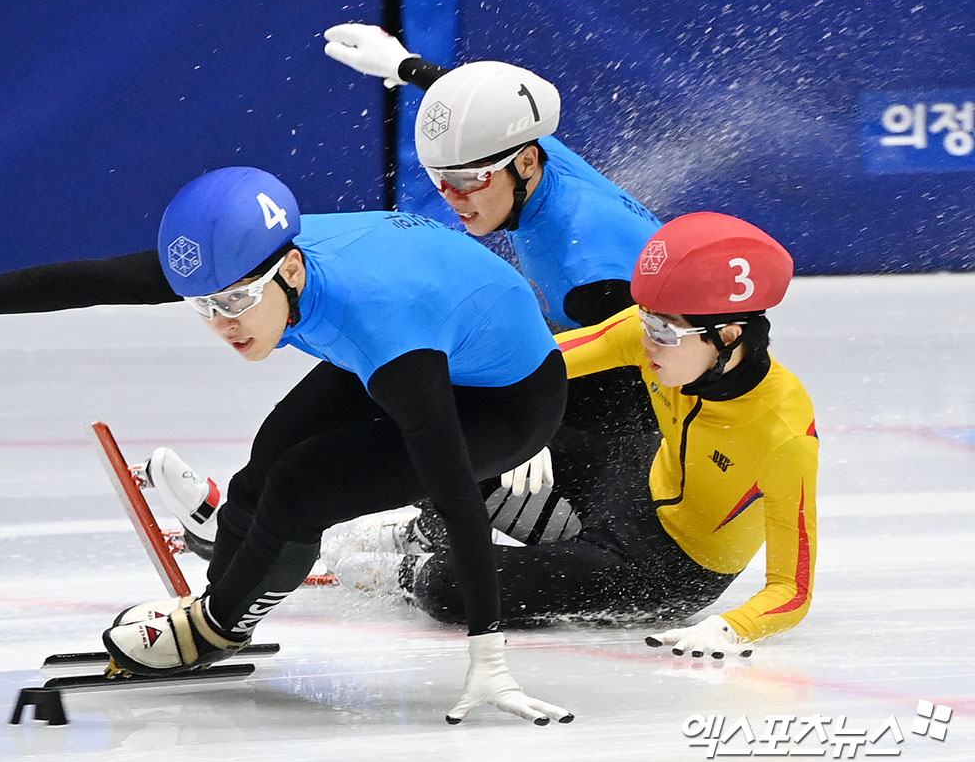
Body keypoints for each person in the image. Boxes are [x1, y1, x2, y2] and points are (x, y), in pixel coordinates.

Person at [0, 166, 574, 725]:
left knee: (303, 484)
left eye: (236, 305)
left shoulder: (384, 333)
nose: (223, 323)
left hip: (504, 400)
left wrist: (488, 652)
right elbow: (95, 280)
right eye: (205, 307)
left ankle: (216, 625)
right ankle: (241, 574)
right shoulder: (244, 257)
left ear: (287, 267)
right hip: (439, 334)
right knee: (270, 458)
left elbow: (450, 490)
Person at [326, 211, 819, 660]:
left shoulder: (783, 435)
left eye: (663, 333)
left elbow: (791, 590)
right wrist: (522, 422)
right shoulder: (656, 332)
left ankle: (408, 572)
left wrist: (732, 628)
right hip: (632, 476)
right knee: (482, 443)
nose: (646, 340)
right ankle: (424, 531)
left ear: (729, 336)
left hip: (666, 567)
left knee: (452, 589)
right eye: (644, 320)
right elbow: (531, 360)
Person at [320, 23, 664, 580]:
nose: (454, 198)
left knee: (443, 391)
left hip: (638, 436)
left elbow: (653, 384)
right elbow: (489, 118)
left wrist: (534, 432)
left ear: (524, 165)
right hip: (593, 354)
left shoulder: (588, 267)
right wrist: (405, 65)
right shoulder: (534, 159)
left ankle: (441, 524)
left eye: (469, 181)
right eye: (440, 180)